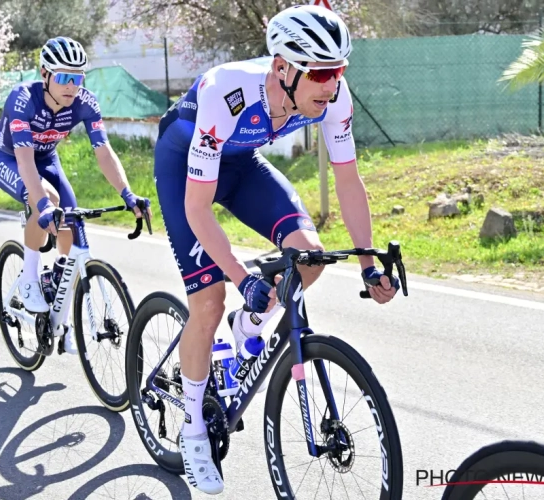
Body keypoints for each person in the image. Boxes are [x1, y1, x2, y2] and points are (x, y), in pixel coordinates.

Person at [153, 5, 400, 494]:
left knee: (310, 256)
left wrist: (369, 264)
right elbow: (198, 210)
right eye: (322, 73)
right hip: (186, 169)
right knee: (209, 302)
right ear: (283, 67)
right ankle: (194, 430)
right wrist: (242, 279)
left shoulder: (333, 98)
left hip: (241, 165)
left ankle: (248, 326)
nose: (331, 85)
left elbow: (348, 180)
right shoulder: (228, 91)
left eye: (339, 71)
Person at [0, 36, 150, 354]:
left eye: (77, 78)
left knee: (73, 233)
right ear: (45, 74)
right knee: (44, 200)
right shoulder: (23, 99)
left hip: (47, 160)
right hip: (9, 158)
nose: (70, 86)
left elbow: (103, 151)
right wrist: (43, 204)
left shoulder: (85, 102)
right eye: (63, 77)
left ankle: (60, 310)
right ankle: (31, 278)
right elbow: (23, 162)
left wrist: (128, 193)